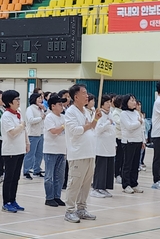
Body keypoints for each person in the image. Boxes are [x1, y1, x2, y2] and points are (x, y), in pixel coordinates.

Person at [63, 84, 100, 223]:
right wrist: (89, 125)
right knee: (74, 183)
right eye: (84, 93)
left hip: (89, 152)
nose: (87, 96)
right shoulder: (70, 112)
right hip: (77, 153)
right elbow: (75, 130)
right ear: (76, 97)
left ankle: (82, 208)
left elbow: (91, 127)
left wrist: (95, 119)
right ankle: (69, 210)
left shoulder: (86, 111)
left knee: (86, 184)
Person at [0, 90, 29, 213]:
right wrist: (22, 125)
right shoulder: (6, 116)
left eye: (18, 99)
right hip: (10, 150)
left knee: (16, 177)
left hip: (20, 149)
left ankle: (13, 200)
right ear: (9, 102)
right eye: (16, 99)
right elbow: (12, 133)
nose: (18, 101)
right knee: (9, 177)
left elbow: (24, 130)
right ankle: (6, 202)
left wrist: (27, 142)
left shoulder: (19, 113)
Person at [43, 94, 67, 206]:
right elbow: (54, 131)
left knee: (60, 176)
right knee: (49, 176)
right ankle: (49, 197)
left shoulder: (63, 117)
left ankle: (57, 196)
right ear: (53, 106)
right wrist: (63, 126)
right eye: (59, 104)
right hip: (51, 150)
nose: (62, 106)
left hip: (62, 150)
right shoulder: (49, 117)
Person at [91, 94, 115, 198]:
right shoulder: (99, 114)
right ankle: (97, 188)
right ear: (102, 104)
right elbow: (98, 129)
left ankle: (104, 187)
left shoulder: (110, 114)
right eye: (107, 102)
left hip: (110, 145)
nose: (109, 104)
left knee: (108, 168)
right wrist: (107, 123)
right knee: (101, 167)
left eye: (110, 102)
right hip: (101, 145)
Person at [119, 94, 144, 194]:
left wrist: (143, 140)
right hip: (129, 141)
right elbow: (129, 126)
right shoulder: (123, 114)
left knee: (135, 165)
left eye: (134, 100)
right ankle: (126, 184)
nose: (134, 102)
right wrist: (139, 122)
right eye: (132, 100)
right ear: (126, 102)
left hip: (138, 141)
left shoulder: (136, 113)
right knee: (127, 164)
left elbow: (141, 128)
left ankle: (134, 183)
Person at [23, 92, 45, 179]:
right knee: (30, 154)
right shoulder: (30, 109)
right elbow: (31, 120)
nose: (40, 100)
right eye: (38, 98)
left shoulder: (41, 109)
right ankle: (26, 171)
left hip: (41, 133)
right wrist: (41, 118)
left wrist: (44, 110)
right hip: (32, 134)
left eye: (41, 98)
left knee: (39, 154)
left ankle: (37, 170)